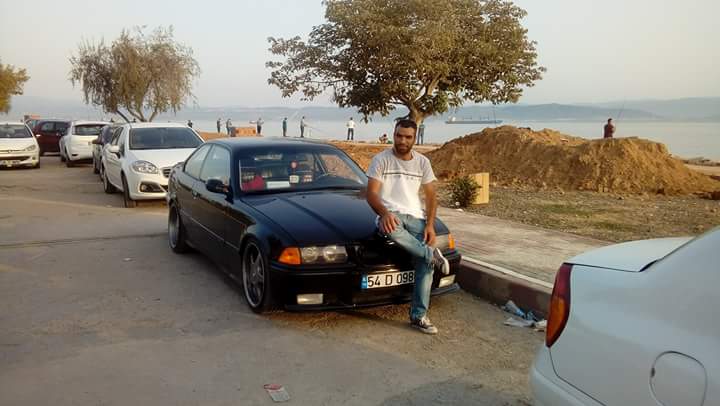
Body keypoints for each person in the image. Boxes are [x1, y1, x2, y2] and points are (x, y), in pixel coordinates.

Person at [365, 119, 450, 335]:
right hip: (390, 215)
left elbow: (431, 197)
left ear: (414, 138)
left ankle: (418, 316)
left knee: (425, 263)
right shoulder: (381, 159)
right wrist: (384, 213)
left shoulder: (422, 162)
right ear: (394, 135)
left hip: (415, 217)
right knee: (392, 228)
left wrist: (430, 225)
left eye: (408, 137)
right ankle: (431, 254)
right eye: (399, 135)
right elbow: (371, 193)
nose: (402, 140)